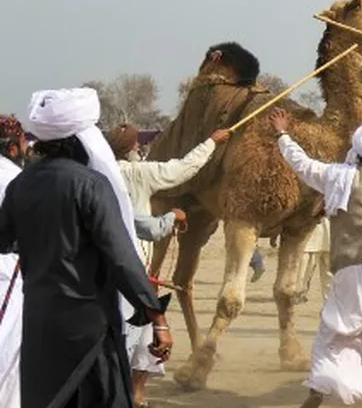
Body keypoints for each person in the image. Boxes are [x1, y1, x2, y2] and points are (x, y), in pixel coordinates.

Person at [0, 88, 171, 408]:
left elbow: (5, 240)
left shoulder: (21, 184)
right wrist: (156, 317)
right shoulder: (91, 185)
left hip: (40, 326)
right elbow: (121, 260)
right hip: (89, 331)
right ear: (80, 141)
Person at [271, 83, 362, 408]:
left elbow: (304, 165)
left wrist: (282, 135)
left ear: (357, 149)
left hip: (354, 271)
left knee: (333, 332)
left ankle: (317, 394)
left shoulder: (339, 178)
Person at [107, 122, 229, 407]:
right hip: (133, 262)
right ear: (133, 148)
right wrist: (211, 142)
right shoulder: (138, 173)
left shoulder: (95, 173)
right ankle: (136, 392)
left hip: (99, 264)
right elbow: (182, 169)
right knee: (142, 328)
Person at [0, 115, 28, 408]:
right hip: (8, 274)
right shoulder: (17, 180)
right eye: (23, 144)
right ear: (12, 148)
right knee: (8, 356)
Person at [293, 216, 332, 304]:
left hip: (329, 233)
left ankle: (330, 301)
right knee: (304, 272)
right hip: (312, 234)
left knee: (329, 274)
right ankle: (299, 294)